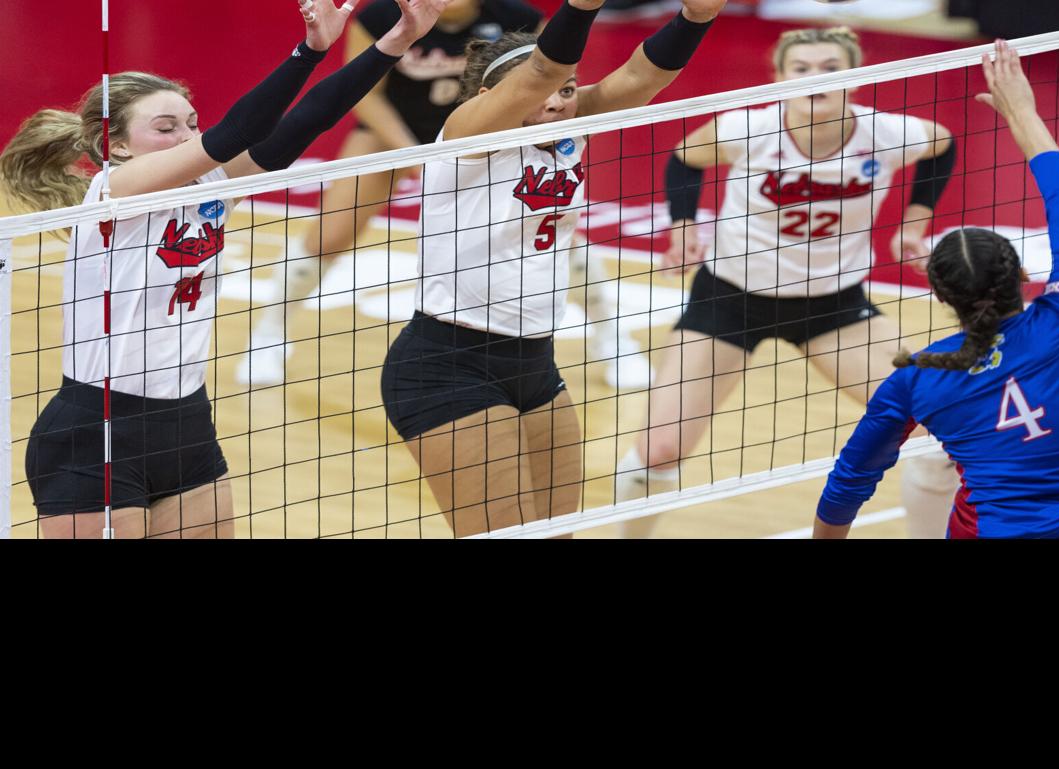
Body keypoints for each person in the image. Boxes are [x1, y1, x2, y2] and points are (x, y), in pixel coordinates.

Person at [2, 0, 452, 539]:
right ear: (115, 145)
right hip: (95, 432)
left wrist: (396, 41)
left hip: (186, 425)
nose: (188, 138)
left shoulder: (213, 187)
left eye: (192, 124)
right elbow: (243, 126)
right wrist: (309, 50)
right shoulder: (113, 192)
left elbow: (307, 120)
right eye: (165, 128)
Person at [379, 0, 728, 537]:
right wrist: (581, 8)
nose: (557, 102)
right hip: (447, 365)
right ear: (491, 97)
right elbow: (542, 71)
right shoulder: (467, 140)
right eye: (545, 90)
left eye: (568, 91)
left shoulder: (569, 127)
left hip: (534, 362)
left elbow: (640, 74)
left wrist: (696, 17)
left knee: (555, 533)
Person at [614, 25, 962, 538]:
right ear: (778, 78)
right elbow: (686, 158)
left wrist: (914, 221)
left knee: (942, 434)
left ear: (858, 77)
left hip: (833, 306)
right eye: (800, 69)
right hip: (727, 302)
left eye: (830, 69)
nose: (814, 79)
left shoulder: (888, 133)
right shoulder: (746, 128)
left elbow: (943, 146)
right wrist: (683, 226)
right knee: (658, 451)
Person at [813, 39, 1059, 540]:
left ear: (941, 295)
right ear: (1021, 275)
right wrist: (1022, 111)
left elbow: (849, 480)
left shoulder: (918, 379)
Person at [237, 0, 546, 388]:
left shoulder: (519, 17)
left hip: (479, 139)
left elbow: (540, 84)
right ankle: (269, 333)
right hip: (391, 138)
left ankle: (611, 336)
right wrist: (416, 154)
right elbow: (366, 95)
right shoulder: (380, 15)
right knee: (328, 236)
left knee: (550, 226)